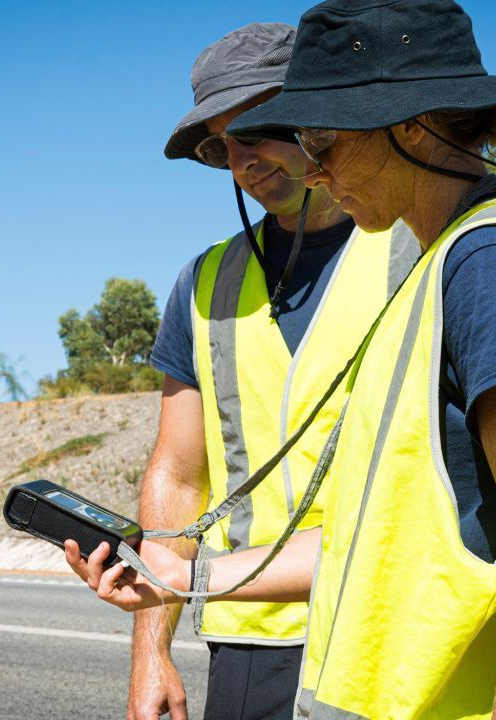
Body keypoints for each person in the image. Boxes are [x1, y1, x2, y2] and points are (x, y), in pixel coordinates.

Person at [75, 5, 496, 718]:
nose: (307, 163)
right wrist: (179, 578)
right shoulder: (435, 270)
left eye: (318, 137)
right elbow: (372, 538)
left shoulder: (493, 265)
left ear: (407, 124)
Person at [131, 22, 420, 720]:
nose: (241, 163)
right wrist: (150, 651)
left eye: (256, 131)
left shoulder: (423, 245)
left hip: (395, 626)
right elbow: (177, 473)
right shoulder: (205, 283)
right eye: (222, 148)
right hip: (248, 633)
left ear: (321, 113)